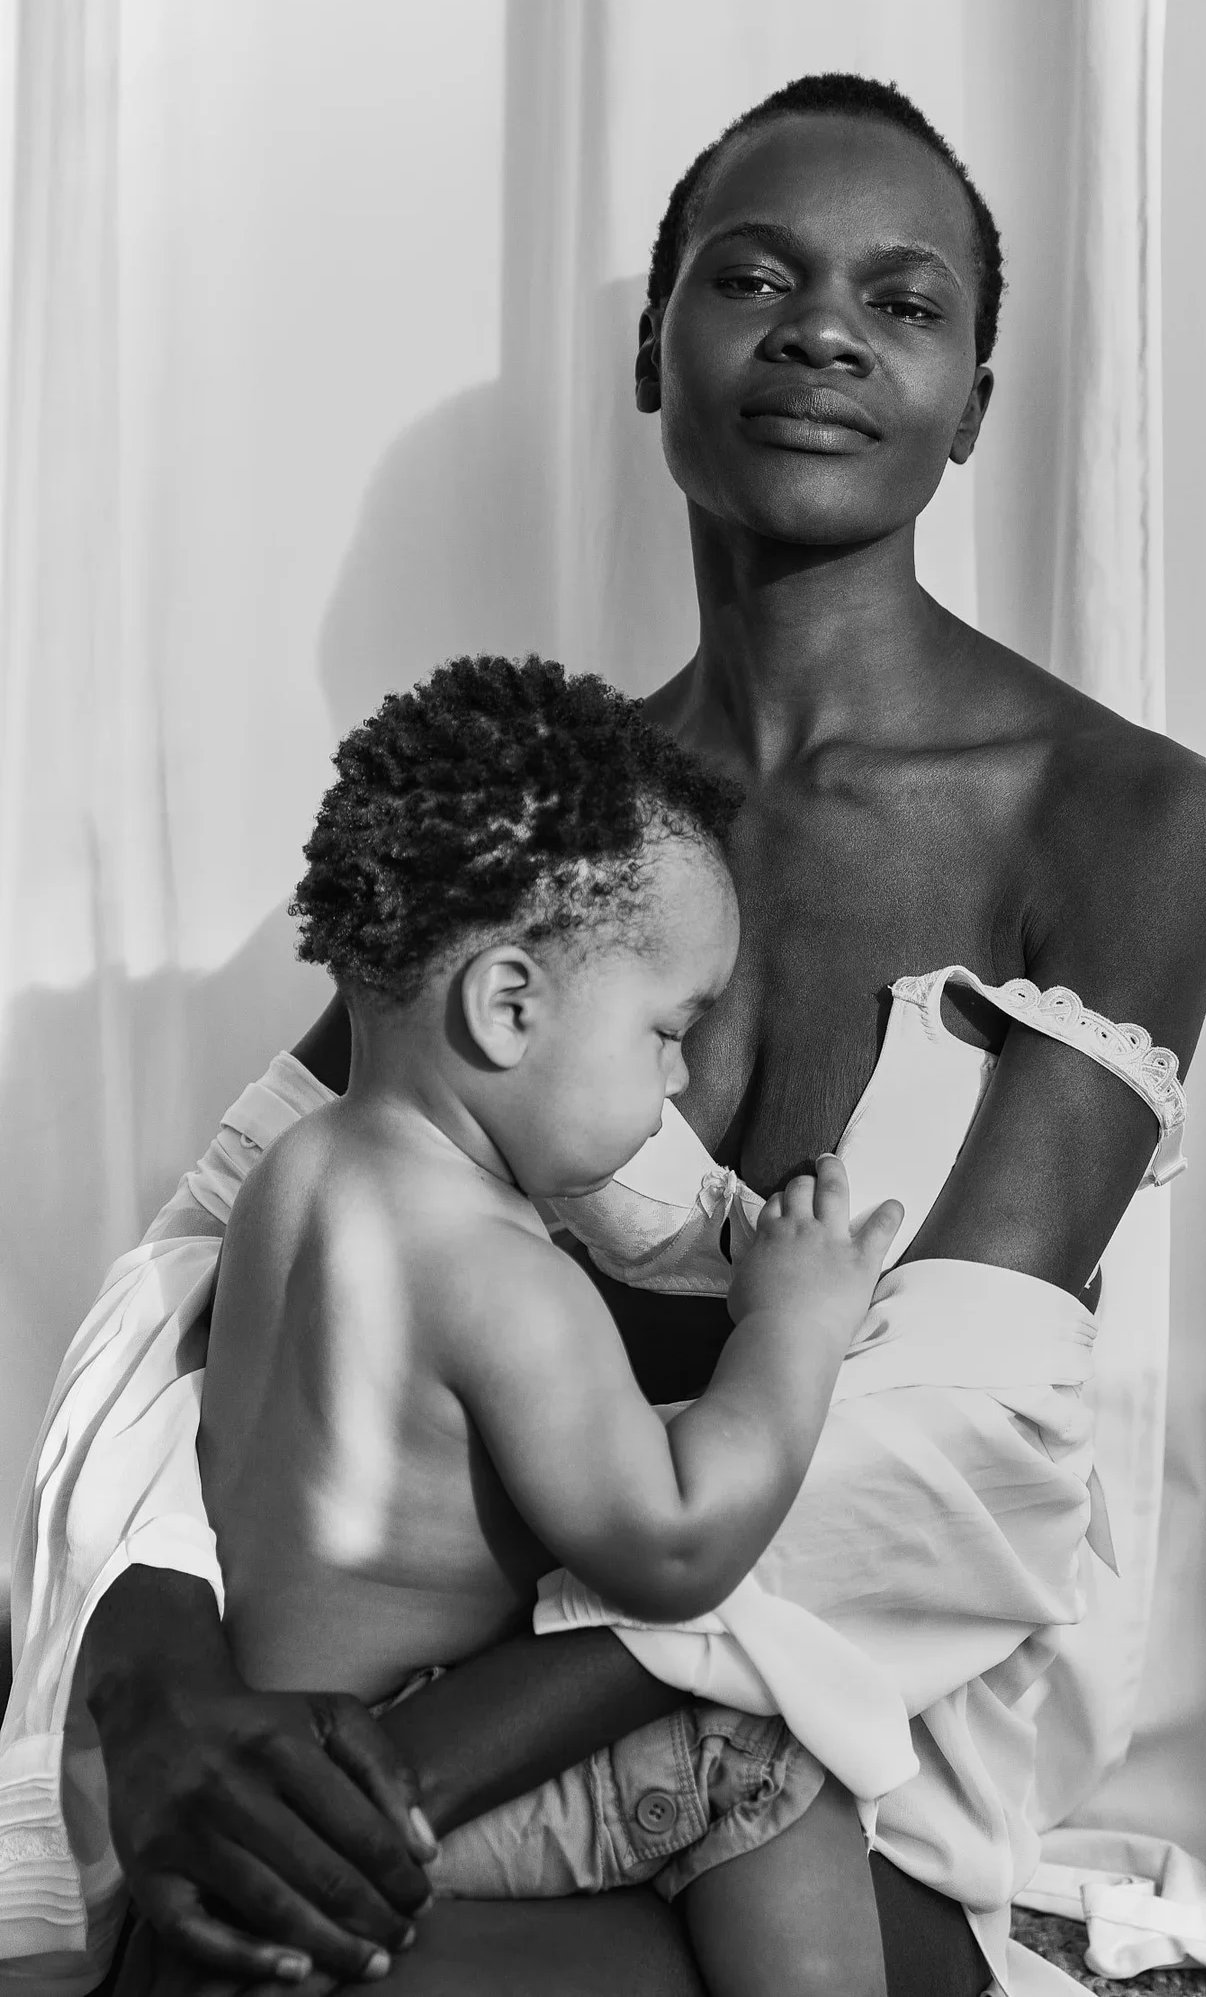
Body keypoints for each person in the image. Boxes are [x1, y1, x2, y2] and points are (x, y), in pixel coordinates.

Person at [2, 71, 1206, 1997]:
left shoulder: (1124, 819)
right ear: (651, 353)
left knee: (254, 1967)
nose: (823, 331)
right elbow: (195, 1285)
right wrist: (158, 1690)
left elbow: (941, 1447)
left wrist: (374, 1786)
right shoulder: (556, 833)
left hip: (810, 1783)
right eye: (752, 277)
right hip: (422, 1753)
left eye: (903, 302)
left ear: (975, 405)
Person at [197, 656, 901, 1997]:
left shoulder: (295, 1176)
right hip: (405, 1778)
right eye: (667, 1031)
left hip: (273, 1748)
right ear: (510, 1005)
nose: (680, 1080)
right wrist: (791, 1327)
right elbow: (672, 1546)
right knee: (755, 1751)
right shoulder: (501, 1275)